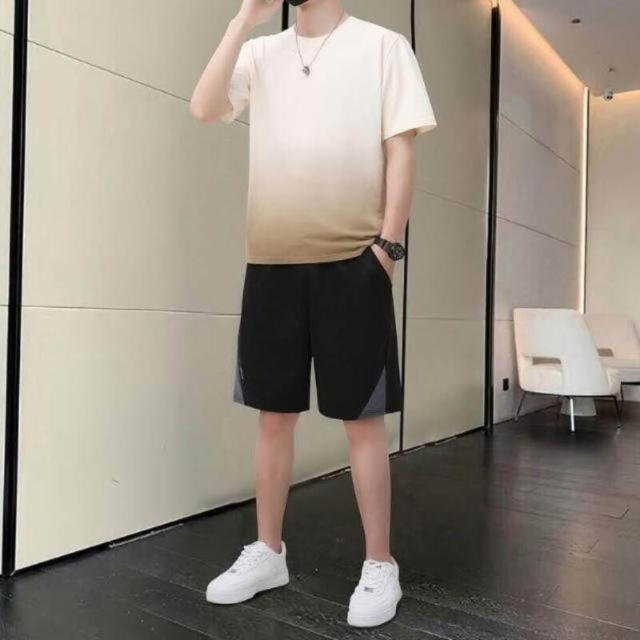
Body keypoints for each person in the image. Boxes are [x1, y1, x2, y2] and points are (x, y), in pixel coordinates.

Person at [189, 0, 436, 628]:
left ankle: (379, 562)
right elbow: (205, 107)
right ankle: (268, 551)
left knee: (362, 421)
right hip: (271, 262)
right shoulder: (260, 52)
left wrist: (387, 248)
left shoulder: (383, 47)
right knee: (273, 415)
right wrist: (241, 20)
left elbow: (401, 151)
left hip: (354, 262)